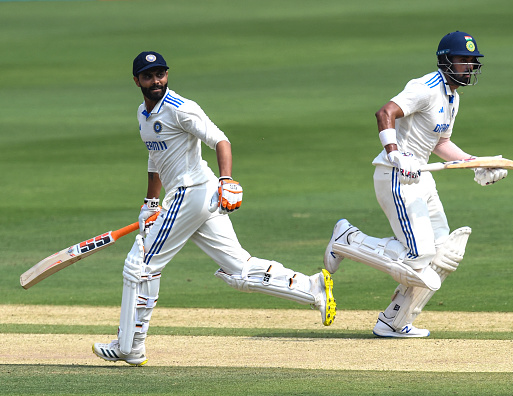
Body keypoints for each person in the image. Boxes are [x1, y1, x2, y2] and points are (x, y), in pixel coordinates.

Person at [93, 51, 336, 366]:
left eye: (161, 74)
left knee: (140, 263)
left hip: (193, 193)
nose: (157, 81)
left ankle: (130, 346)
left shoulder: (181, 109)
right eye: (149, 76)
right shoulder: (143, 114)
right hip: (194, 199)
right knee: (239, 270)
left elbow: (221, 140)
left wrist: (227, 180)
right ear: (137, 80)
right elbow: (156, 157)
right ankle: (312, 287)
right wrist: (150, 202)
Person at [324, 31, 509, 338]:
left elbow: (441, 144)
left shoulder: (453, 98)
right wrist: (395, 153)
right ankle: (347, 240)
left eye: (473, 62)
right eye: (464, 60)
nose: (470, 67)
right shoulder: (425, 88)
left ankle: (393, 322)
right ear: (446, 60)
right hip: (396, 176)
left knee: (442, 255)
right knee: (418, 259)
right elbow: (385, 113)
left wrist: (475, 163)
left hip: (421, 178)